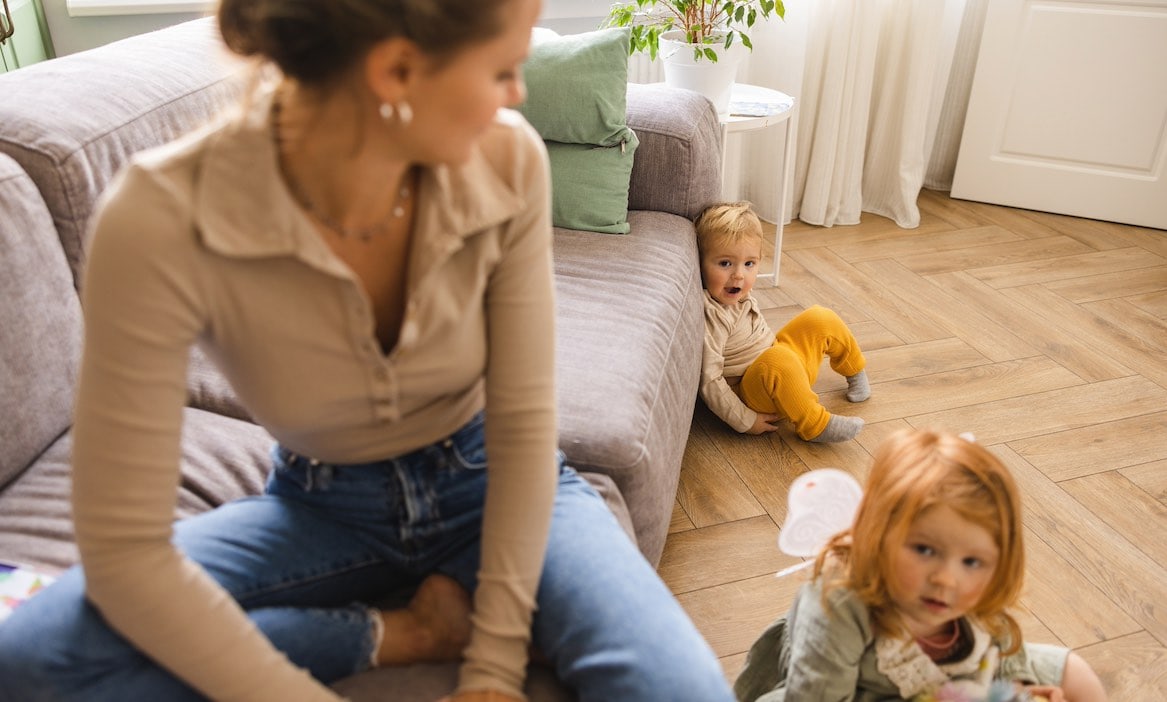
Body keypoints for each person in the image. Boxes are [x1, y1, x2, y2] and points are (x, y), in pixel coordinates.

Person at [0, 2, 734, 701]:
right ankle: (403, 632)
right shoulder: (157, 216)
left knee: (682, 690)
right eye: (502, 69)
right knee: (30, 657)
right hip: (320, 508)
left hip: (495, 479)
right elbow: (128, 557)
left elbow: (522, 421)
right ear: (395, 72)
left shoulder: (509, 158)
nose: (517, 93)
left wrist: (494, 661)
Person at [734, 428, 1109, 702]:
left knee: (1074, 673)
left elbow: (1000, 655)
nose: (947, 579)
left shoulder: (978, 590)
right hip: (859, 693)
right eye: (925, 550)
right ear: (878, 535)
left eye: (972, 561)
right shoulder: (838, 601)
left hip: (959, 680)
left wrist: (1018, 690)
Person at [695, 202, 870, 443]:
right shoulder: (712, 314)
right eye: (725, 263)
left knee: (820, 317)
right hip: (754, 392)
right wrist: (746, 420)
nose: (739, 275)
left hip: (782, 368)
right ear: (700, 264)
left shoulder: (738, 292)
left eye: (749, 264)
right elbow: (709, 380)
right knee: (777, 360)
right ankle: (815, 424)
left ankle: (855, 373)